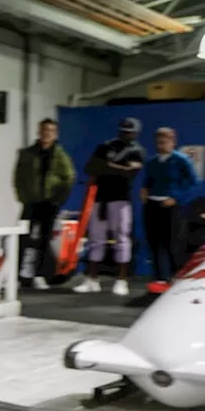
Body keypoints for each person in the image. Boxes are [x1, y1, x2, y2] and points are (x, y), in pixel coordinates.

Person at [74, 118, 146, 296]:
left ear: (136, 133)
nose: (126, 134)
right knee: (95, 239)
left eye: (130, 132)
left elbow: (130, 172)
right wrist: (116, 168)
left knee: (121, 239)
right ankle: (92, 279)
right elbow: (90, 168)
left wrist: (106, 167)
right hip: (101, 198)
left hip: (121, 199)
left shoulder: (137, 151)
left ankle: (122, 280)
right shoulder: (105, 146)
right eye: (123, 131)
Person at [13, 118, 75, 290]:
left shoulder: (60, 154)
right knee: (22, 238)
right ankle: (19, 275)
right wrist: (23, 196)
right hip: (31, 202)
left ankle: (40, 274)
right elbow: (18, 177)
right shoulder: (27, 153)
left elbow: (69, 177)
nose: (47, 133)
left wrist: (59, 198)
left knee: (44, 239)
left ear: (55, 134)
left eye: (51, 130)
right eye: (44, 130)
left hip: (49, 203)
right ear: (39, 131)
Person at [141, 126, 199, 284]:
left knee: (173, 243)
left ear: (173, 142)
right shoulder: (152, 162)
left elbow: (194, 184)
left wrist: (177, 198)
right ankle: (159, 278)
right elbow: (148, 181)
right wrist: (144, 190)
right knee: (154, 243)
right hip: (152, 205)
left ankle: (176, 277)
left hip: (171, 207)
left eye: (165, 141)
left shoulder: (181, 160)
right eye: (158, 142)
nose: (161, 145)